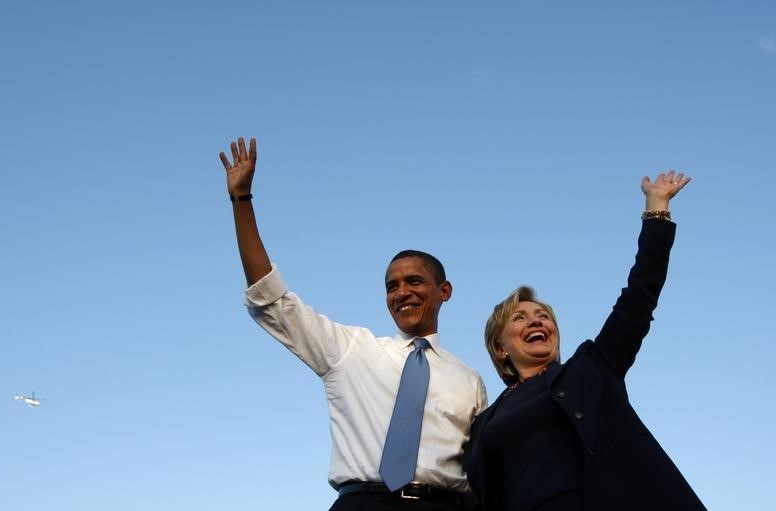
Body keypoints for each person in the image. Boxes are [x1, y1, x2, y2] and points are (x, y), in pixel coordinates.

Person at [219, 136, 487, 511]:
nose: (401, 292)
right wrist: (241, 200)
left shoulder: (470, 381)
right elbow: (271, 299)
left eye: (414, 281)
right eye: (392, 286)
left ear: (445, 290)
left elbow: (482, 468)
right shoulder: (350, 349)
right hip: (363, 503)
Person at [466, 171, 707, 511]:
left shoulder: (591, 368)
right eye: (519, 318)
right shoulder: (483, 422)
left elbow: (638, 299)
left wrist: (656, 210)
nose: (536, 320)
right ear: (500, 347)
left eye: (543, 316)